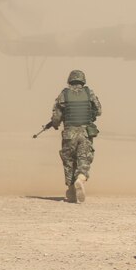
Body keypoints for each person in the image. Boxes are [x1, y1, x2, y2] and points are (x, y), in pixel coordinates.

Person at [47, 69, 102, 203]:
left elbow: (56, 117)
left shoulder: (64, 95)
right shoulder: (89, 93)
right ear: (83, 80)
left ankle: (71, 190)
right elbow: (98, 110)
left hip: (69, 134)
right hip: (85, 132)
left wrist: (54, 124)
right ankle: (81, 178)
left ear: (70, 80)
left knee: (69, 161)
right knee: (84, 158)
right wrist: (91, 116)